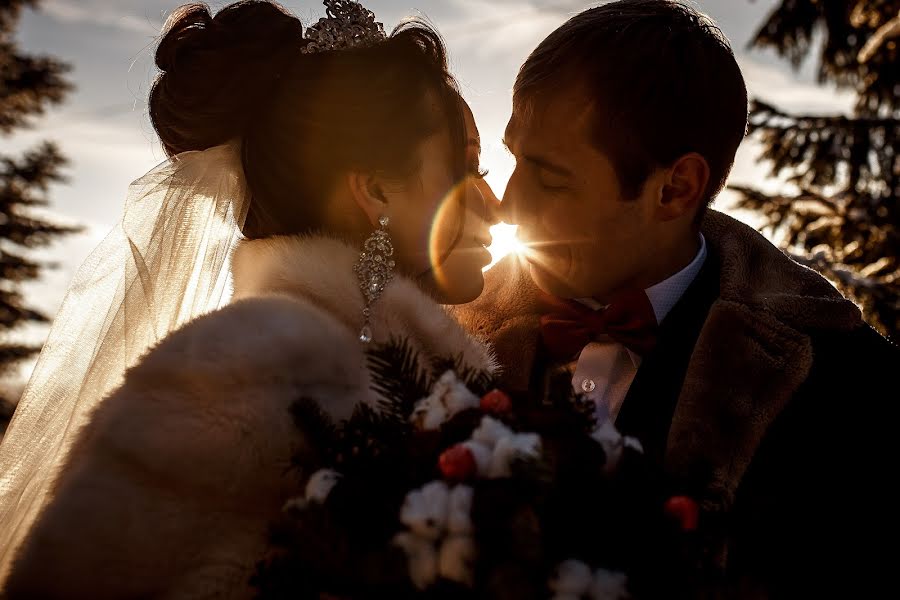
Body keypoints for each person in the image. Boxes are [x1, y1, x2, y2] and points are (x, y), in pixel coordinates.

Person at [0, 1, 500, 597]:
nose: (494, 206)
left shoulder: (425, 367)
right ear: (374, 190)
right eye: (466, 170)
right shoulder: (243, 377)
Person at [451, 0, 897, 595]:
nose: (510, 205)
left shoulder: (846, 389)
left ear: (675, 189)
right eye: (515, 160)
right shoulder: (448, 341)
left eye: (552, 177)